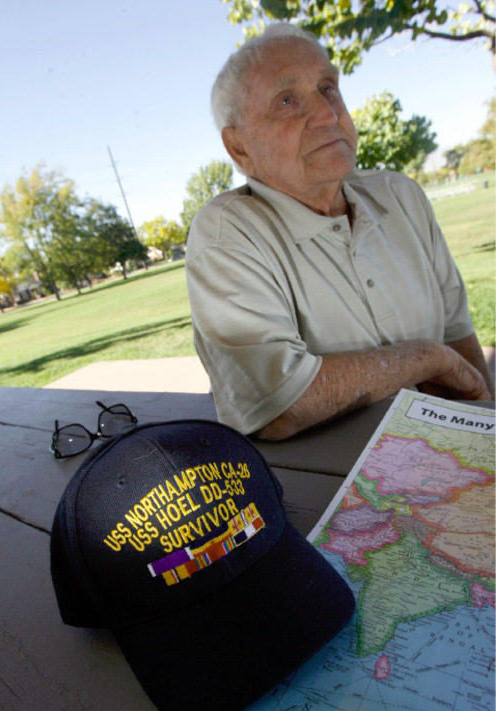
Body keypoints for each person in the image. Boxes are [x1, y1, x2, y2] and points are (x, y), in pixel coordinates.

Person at [185, 22, 493, 441]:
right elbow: (280, 404)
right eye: (287, 100)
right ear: (239, 148)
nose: (328, 115)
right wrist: (426, 359)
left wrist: (485, 431)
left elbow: (458, 335)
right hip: (322, 484)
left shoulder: (401, 194)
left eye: (328, 88)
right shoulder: (227, 233)